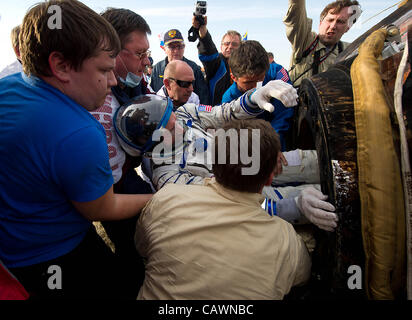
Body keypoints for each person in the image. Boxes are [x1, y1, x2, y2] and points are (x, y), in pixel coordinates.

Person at [0, 0, 152, 299]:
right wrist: (157, 198)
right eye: (104, 70)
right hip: (54, 252)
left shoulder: (10, 87)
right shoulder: (79, 132)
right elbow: (100, 208)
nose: (111, 81)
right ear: (61, 65)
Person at [114, 82, 338, 232]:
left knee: (315, 161)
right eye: (170, 131)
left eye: (172, 116)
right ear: (151, 148)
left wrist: (256, 95)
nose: (180, 128)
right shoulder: (168, 177)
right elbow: (225, 204)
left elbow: (223, 113)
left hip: (254, 157)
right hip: (246, 194)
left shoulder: (184, 114)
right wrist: (292, 207)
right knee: (322, 199)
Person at [135, 119, 312, 299]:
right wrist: (292, 207)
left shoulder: (164, 199)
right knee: (309, 239)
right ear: (269, 179)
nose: (178, 127)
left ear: (215, 163)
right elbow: (303, 276)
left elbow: (142, 247)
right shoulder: (287, 242)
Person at [90, 7, 154, 294]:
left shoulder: (133, 82)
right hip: (108, 188)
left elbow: (157, 106)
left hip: (123, 176)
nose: (146, 62)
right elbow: (102, 199)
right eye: (139, 54)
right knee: (133, 255)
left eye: (147, 53)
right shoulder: (95, 101)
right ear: (112, 50)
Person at [222, 40, 294, 150]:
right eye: (248, 83)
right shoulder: (229, 100)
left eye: (260, 80)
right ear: (234, 78)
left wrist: (274, 145)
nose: (255, 87)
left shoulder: (277, 74)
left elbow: (283, 114)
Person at [284, 0, 361, 87]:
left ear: (347, 28)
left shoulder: (351, 51)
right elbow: (296, 14)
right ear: (321, 23)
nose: (333, 26)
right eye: (330, 20)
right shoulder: (304, 40)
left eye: (340, 21)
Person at [150, 29, 210, 104]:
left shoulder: (194, 68)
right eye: (172, 47)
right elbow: (152, 95)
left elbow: (203, 96)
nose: (176, 51)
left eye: (179, 47)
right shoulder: (157, 68)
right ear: (164, 49)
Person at [192, 16, 242, 106]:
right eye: (227, 43)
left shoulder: (244, 66)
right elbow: (208, 51)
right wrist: (203, 31)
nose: (230, 47)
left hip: (239, 112)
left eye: (234, 44)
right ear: (221, 46)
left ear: (240, 47)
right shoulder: (217, 62)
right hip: (217, 113)